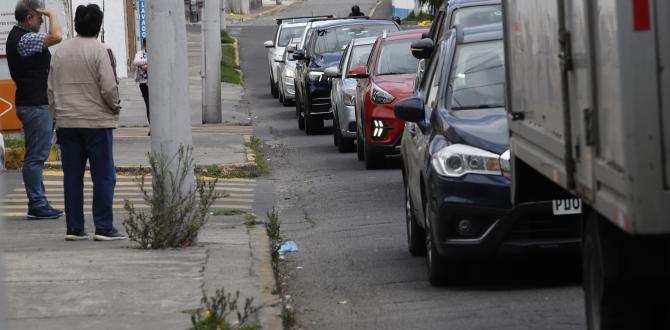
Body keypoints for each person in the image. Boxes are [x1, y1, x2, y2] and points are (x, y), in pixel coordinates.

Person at [47, 4, 125, 241]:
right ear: (99, 26)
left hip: (67, 122)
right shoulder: (102, 50)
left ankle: (74, 228)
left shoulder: (60, 52)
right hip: (96, 122)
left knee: (72, 176)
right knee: (103, 176)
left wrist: (57, 116)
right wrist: (115, 106)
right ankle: (103, 227)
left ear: (77, 24)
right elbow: (109, 87)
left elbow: (50, 89)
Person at [6, 0, 63, 220]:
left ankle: (40, 201)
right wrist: (53, 15)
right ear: (30, 18)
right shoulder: (25, 38)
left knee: (35, 156)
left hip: (32, 103)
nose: (42, 21)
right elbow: (56, 37)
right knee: (36, 158)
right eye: (40, 18)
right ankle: (37, 204)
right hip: (34, 104)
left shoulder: (19, 36)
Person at [133, 38, 149, 126]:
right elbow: (135, 62)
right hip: (143, 82)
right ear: (144, 45)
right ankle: (152, 125)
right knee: (148, 104)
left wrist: (143, 64)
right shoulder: (140, 54)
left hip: (154, 83)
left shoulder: (156, 52)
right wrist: (147, 61)